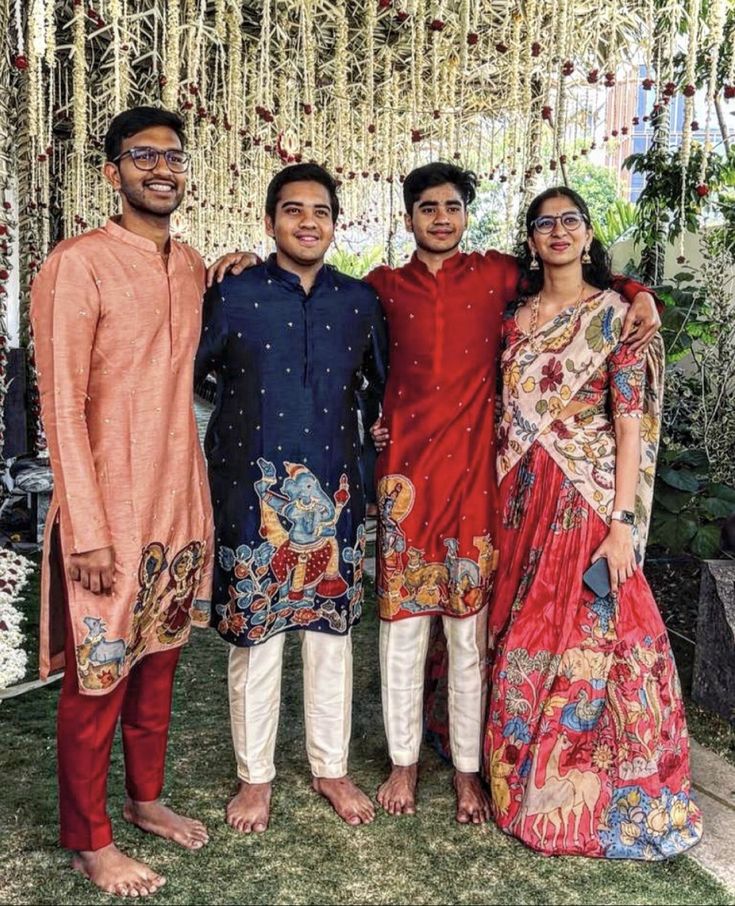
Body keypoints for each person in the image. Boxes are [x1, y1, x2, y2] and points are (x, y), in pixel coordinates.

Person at [207, 161, 660, 825]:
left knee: (469, 637)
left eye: (451, 206)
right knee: (399, 635)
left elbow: (568, 271)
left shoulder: (494, 279)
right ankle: (401, 763)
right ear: (407, 216)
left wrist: (634, 288)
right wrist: (242, 264)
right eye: (426, 208)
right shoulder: (378, 291)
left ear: (466, 215)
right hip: (401, 489)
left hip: (476, 487)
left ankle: (469, 775)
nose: (440, 218)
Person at [483, 186, 702, 858]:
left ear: (586, 235)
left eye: (568, 221)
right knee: (516, 622)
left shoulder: (616, 317)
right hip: (517, 496)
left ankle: (590, 777)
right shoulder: (511, 319)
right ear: (529, 239)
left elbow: (628, 426)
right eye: (543, 223)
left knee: (592, 625)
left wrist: (620, 522)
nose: (556, 232)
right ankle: (507, 761)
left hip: (587, 498)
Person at [31, 106, 213, 898]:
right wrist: (89, 533)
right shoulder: (78, 264)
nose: (160, 168)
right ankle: (91, 840)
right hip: (107, 517)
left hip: (179, 506)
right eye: (142, 156)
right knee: (97, 682)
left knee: (157, 671)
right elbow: (60, 406)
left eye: (172, 155)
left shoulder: (194, 265)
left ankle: (144, 802)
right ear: (112, 172)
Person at [194, 163, 387, 834]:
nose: (308, 222)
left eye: (321, 211)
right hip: (252, 494)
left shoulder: (359, 302)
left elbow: (380, 394)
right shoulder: (233, 292)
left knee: (330, 636)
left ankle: (329, 767)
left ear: (336, 223)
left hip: (335, 490)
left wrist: (364, 469)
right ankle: (256, 779)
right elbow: (193, 379)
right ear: (269, 219)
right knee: (256, 638)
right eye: (293, 210)